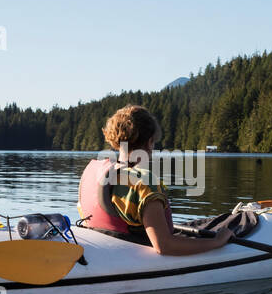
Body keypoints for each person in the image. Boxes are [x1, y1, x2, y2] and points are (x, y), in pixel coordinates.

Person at [77, 105, 232, 254]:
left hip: (106, 248)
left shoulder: (95, 170)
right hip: (137, 252)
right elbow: (164, 246)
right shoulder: (144, 182)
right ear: (150, 141)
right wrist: (217, 241)